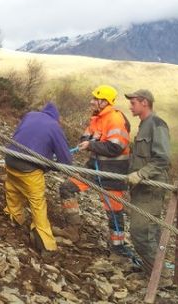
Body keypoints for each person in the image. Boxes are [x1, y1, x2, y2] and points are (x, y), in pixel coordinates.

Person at [59, 85, 130, 250]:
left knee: (114, 210)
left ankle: (118, 248)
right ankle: (72, 230)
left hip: (113, 172)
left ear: (104, 102)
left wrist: (92, 143)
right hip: (94, 168)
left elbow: (116, 147)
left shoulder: (115, 119)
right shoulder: (97, 118)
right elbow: (85, 136)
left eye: (95, 99)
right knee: (67, 188)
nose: (91, 102)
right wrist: (91, 140)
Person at [3, 102, 73, 256]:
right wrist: (49, 166)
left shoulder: (30, 115)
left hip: (10, 159)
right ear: (57, 117)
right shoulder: (55, 127)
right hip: (29, 168)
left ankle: (14, 217)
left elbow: (21, 136)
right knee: (37, 203)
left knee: (13, 188)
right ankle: (45, 244)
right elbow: (66, 161)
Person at [124, 89, 170, 274]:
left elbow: (162, 158)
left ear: (145, 103)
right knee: (149, 232)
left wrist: (141, 174)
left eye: (133, 102)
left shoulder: (157, 124)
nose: (130, 106)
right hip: (141, 188)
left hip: (151, 187)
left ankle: (161, 276)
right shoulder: (144, 125)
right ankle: (153, 270)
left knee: (141, 233)